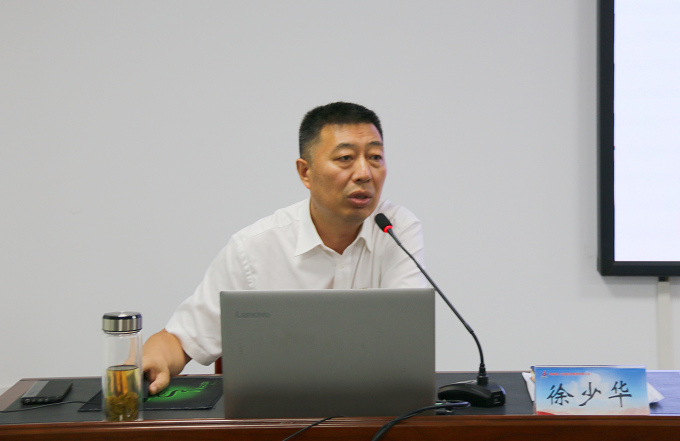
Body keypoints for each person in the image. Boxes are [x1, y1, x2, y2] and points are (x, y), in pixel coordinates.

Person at [142, 102, 427, 394]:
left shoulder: (396, 230)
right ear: (305, 172)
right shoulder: (254, 249)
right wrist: (154, 359)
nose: (364, 173)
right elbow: (178, 340)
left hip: (374, 408)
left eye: (375, 157)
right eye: (345, 158)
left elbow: (405, 343)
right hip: (277, 413)